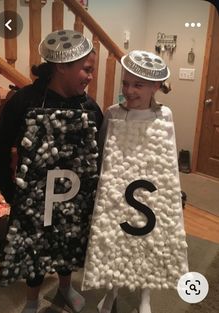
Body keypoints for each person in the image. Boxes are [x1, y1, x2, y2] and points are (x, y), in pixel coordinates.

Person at [0, 29, 103, 313]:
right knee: (35, 249)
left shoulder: (89, 107)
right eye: (86, 69)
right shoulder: (23, 101)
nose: (90, 76)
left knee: (69, 240)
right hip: (35, 197)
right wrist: (10, 191)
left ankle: (65, 287)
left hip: (75, 192)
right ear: (62, 66)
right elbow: (1, 146)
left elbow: (100, 151)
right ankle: (32, 300)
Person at [81, 50, 188, 313]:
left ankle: (145, 297)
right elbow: (104, 151)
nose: (129, 90)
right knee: (115, 239)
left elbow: (168, 156)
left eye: (138, 85)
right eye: (125, 83)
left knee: (148, 240)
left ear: (155, 87)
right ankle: (112, 291)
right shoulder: (113, 113)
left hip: (150, 189)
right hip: (118, 189)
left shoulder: (165, 115)